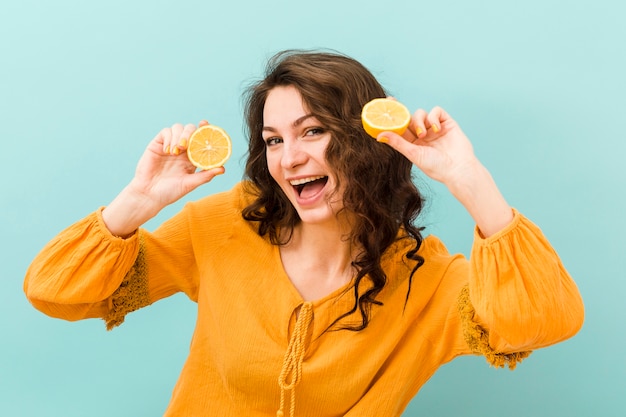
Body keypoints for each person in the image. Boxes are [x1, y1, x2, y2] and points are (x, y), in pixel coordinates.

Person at [24, 50, 584, 417]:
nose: (290, 159)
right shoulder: (223, 227)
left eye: (312, 131)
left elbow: (542, 321)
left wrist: (470, 180)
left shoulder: (428, 281)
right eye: (272, 140)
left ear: (365, 138)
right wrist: (135, 204)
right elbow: (53, 291)